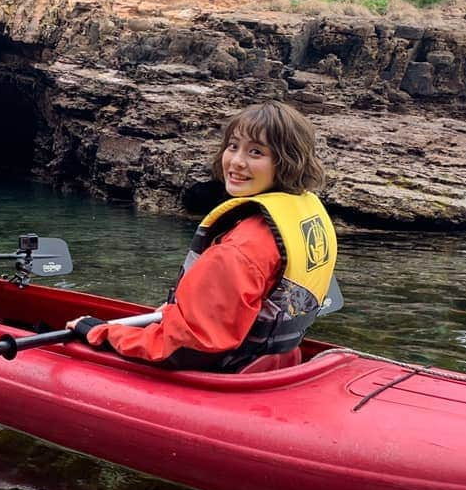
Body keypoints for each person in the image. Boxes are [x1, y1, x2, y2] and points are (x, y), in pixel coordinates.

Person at [67, 100, 337, 372]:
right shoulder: (303, 219)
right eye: (233, 146)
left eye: (256, 152)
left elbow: (185, 350)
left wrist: (101, 332)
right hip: (277, 363)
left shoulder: (238, 250)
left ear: (288, 162)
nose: (236, 161)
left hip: (229, 374)